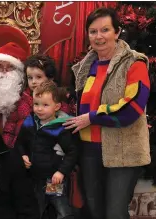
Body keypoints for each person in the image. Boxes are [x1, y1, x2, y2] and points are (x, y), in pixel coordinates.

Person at [63, 7, 151, 219]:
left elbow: (132, 109)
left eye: (105, 30)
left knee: (114, 213)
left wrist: (92, 117)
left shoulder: (134, 62)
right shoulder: (85, 66)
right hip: (89, 150)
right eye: (93, 31)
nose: (98, 36)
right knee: (94, 210)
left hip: (122, 151)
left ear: (117, 32)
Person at [15, 81, 78, 219]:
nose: (39, 109)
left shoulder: (61, 128)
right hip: (34, 177)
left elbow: (72, 152)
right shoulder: (29, 122)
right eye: (36, 104)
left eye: (45, 105)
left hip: (53, 179)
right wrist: (23, 156)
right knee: (36, 209)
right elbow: (20, 143)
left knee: (61, 209)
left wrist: (61, 172)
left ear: (57, 106)